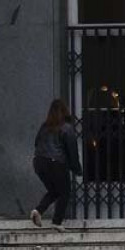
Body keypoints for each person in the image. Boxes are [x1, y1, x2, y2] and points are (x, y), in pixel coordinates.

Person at [30, 99, 82, 232]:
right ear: (65, 112)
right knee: (65, 192)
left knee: (54, 191)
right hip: (56, 162)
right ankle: (57, 222)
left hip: (39, 161)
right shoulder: (66, 127)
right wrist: (77, 169)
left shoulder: (44, 126)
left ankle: (38, 211)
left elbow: (36, 143)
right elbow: (72, 150)